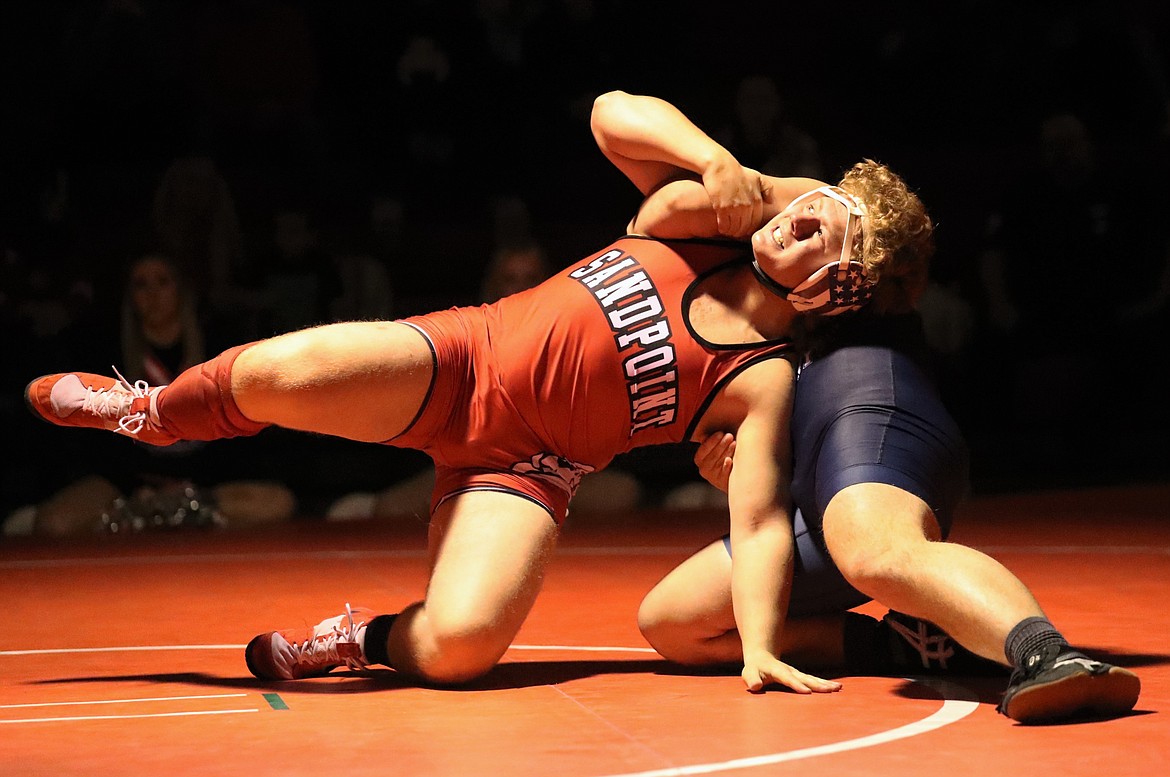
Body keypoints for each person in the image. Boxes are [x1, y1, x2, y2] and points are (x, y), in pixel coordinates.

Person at [609, 97, 1141, 723]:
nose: (798, 222)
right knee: (673, 623)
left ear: (846, 284)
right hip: (821, 465)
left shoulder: (812, 243)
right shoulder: (761, 210)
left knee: (873, 552)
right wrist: (713, 158)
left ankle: (1046, 653)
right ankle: (908, 642)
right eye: (805, 213)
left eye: (819, 231)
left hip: (874, 413)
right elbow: (610, 118)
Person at [12, 252, 297, 537]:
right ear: (130, 297)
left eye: (163, 282)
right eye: (141, 285)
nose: (153, 294)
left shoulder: (218, 344)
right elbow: (97, 440)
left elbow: (238, 428)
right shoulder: (106, 349)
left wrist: (193, 488)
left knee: (278, 502)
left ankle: (179, 512)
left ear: (182, 290)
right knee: (53, 521)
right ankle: (156, 513)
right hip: (130, 484)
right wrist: (139, 488)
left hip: (206, 483)